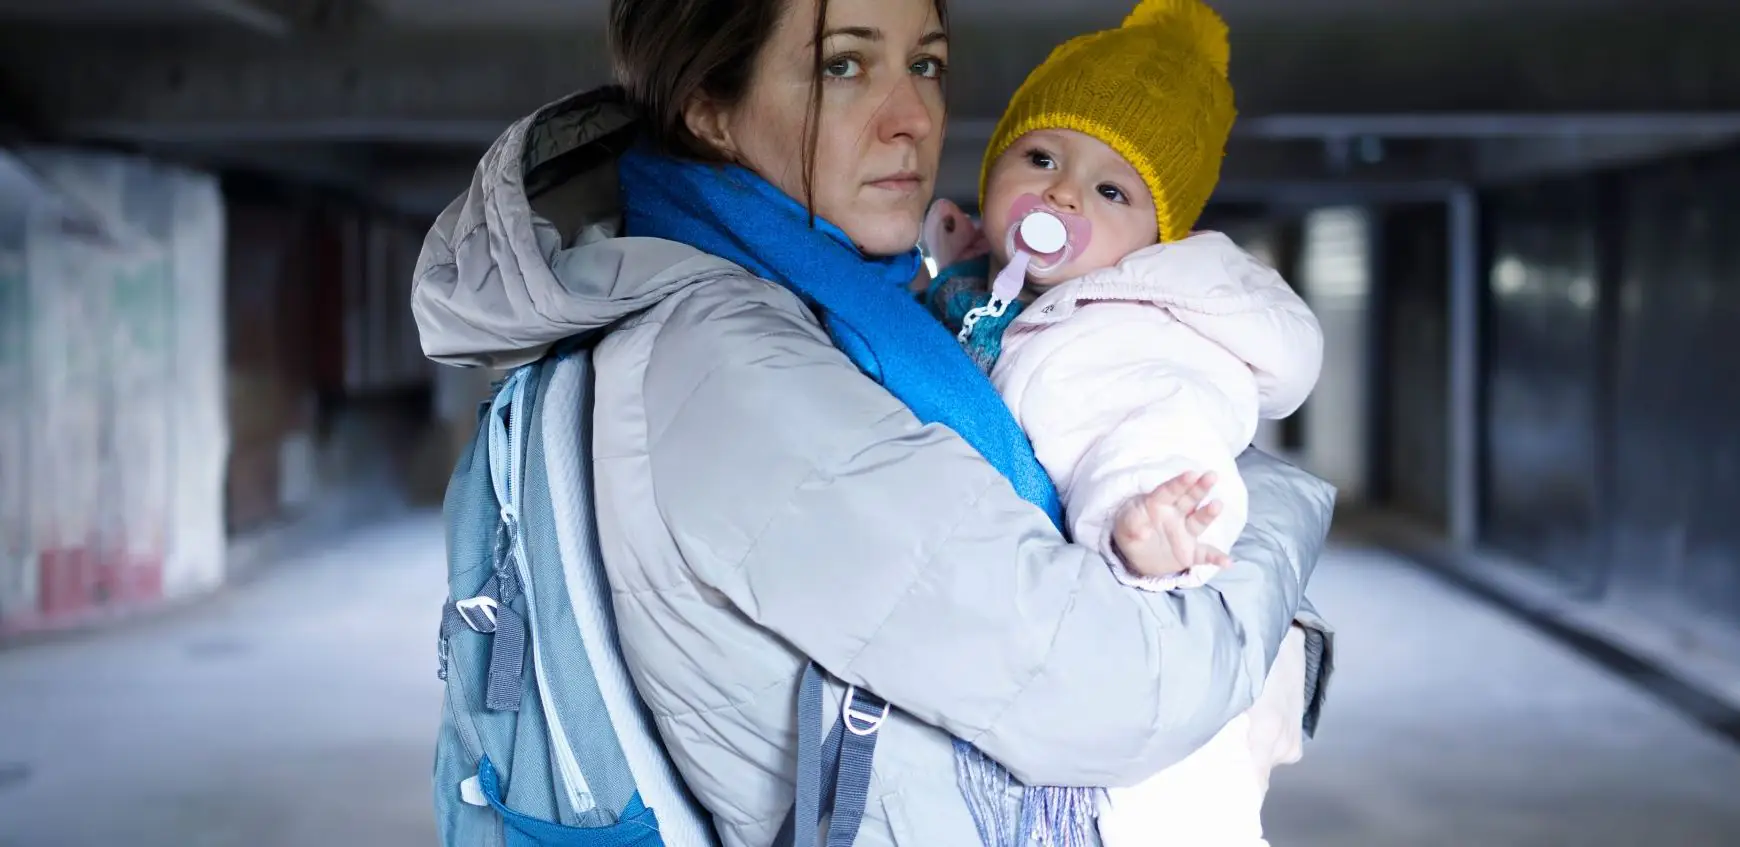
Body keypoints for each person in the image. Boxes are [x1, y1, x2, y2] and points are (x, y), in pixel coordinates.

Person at [411, 0, 1335, 844]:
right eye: (843, 67)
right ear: (709, 110)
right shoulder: (742, 372)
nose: (914, 117)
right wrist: (1271, 498)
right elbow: (1126, 687)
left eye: (925, 65)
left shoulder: (832, 309)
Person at [917, 1, 1323, 843]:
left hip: (1136, 594)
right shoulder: (1004, 291)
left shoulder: (1121, 328)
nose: (1061, 192)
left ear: (1154, 242)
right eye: (1039, 156)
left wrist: (1142, 519)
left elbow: (1151, 431)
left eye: (1110, 189)